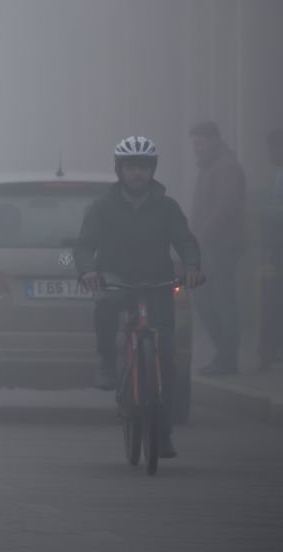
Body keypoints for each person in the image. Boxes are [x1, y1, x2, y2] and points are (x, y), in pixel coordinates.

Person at [75, 136, 204, 458]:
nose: (137, 173)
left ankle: (162, 434)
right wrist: (88, 271)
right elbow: (85, 245)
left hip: (158, 282)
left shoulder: (167, 207)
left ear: (153, 169)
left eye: (143, 167)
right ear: (119, 169)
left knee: (166, 358)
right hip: (116, 279)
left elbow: (186, 241)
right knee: (105, 304)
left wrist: (191, 267)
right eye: (131, 166)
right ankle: (107, 360)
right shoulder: (102, 207)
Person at [189, 121, 248, 375]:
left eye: (199, 143)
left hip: (222, 245)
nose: (196, 148)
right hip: (209, 245)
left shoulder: (226, 167)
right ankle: (224, 354)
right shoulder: (209, 166)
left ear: (214, 140)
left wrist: (201, 236)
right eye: (194, 143)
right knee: (206, 299)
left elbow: (226, 207)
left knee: (222, 300)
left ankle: (227, 358)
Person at [257, 128, 283, 370]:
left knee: (274, 298)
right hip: (275, 244)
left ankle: (270, 350)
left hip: (278, 244)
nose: (269, 154)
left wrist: (262, 213)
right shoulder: (277, 174)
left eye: (273, 148)